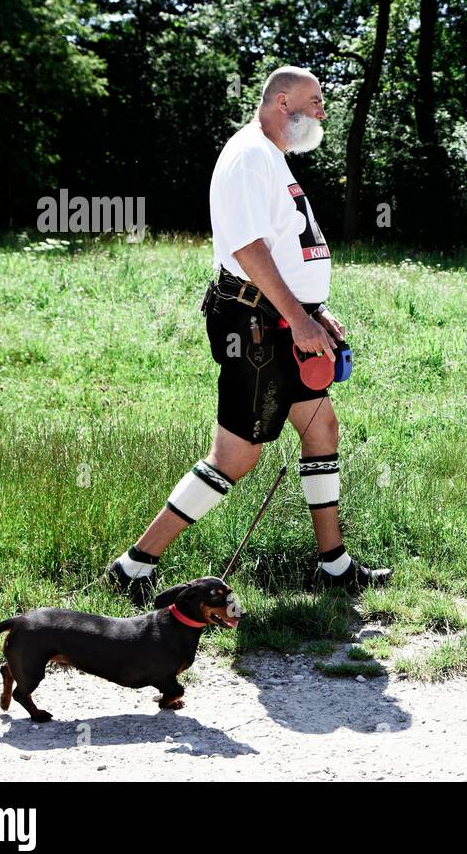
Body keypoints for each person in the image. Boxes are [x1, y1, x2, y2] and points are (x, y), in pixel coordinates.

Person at [106, 65, 391, 604]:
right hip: (255, 325)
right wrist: (299, 317)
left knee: (321, 427)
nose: (324, 111)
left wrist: (315, 309)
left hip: (285, 320)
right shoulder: (247, 156)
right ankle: (134, 567)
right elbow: (249, 251)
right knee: (236, 457)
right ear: (283, 102)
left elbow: (284, 246)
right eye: (316, 100)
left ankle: (334, 566)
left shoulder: (272, 157)